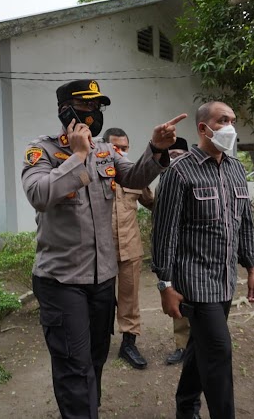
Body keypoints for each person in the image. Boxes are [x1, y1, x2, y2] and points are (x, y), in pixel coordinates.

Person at [21, 79, 186, 419]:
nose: (93, 114)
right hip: (61, 280)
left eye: (97, 108)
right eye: (85, 107)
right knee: (73, 362)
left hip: (101, 278)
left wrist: (155, 148)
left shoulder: (106, 152)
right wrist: (78, 156)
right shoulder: (43, 150)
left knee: (95, 357)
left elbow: (137, 177)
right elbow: (39, 195)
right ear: (65, 109)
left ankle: (87, 409)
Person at [151, 101, 254, 419]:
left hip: (226, 279)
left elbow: (245, 224)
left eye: (232, 120)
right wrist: (165, 283)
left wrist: (251, 269)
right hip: (195, 282)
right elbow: (164, 232)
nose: (230, 126)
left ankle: (186, 406)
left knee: (200, 348)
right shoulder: (179, 172)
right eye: (223, 120)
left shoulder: (235, 168)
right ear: (204, 128)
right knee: (218, 351)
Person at [102, 127, 154, 370]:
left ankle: (128, 344)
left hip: (130, 247)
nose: (120, 152)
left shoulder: (134, 176)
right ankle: (98, 343)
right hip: (100, 251)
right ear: (104, 148)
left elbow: (152, 203)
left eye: (124, 148)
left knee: (129, 299)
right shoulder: (95, 174)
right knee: (100, 300)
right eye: (115, 147)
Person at [166, 137, 191, 366]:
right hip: (175, 253)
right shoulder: (166, 178)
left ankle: (202, 345)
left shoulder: (199, 177)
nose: (174, 156)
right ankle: (182, 346)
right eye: (170, 153)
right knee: (179, 300)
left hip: (197, 251)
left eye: (179, 152)